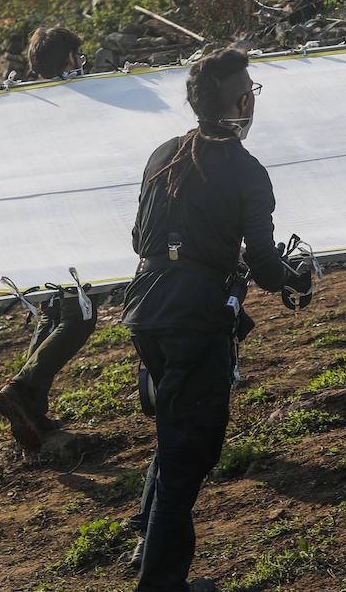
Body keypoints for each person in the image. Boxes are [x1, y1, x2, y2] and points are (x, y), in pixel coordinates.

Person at [123, 47, 308, 592]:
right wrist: (297, 278)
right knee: (192, 450)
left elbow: (139, 240)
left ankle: (146, 537)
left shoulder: (163, 153)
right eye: (250, 90)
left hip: (145, 313)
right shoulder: (248, 171)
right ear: (241, 103)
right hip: (196, 318)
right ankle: (161, 583)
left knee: (174, 432)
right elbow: (269, 268)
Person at [0, 26, 94, 451]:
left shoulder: (23, 102)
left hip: (36, 225)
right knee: (80, 316)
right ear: (69, 59)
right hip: (72, 223)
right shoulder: (72, 103)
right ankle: (22, 390)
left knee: (54, 314)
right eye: (77, 55)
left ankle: (31, 408)